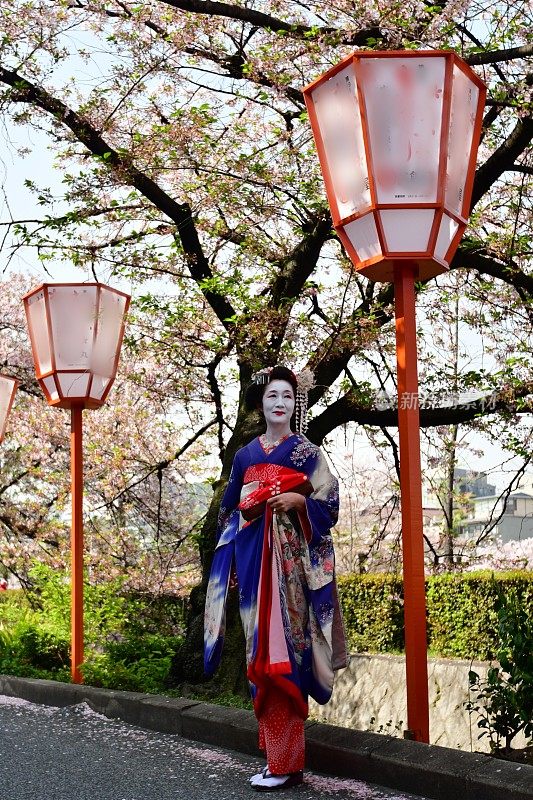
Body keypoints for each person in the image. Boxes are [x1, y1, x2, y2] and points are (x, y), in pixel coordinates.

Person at [204, 366, 347, 792]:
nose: (279, 403)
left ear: (295, 403)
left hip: (292, 573)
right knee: (258, 657)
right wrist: (249, 509)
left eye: (286, 395)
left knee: (287, 653)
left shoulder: (308, 454)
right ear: (260, 404)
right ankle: (276, 759)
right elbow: (228, 511)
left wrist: (298, 500)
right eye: (271, 396)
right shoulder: (245, 456)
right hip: (253, 566)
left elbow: (330, 504)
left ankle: (286, 763)